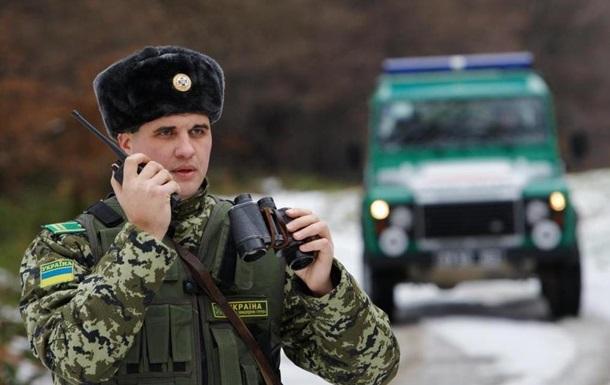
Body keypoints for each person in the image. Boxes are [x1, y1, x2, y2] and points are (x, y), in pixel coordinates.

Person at [19, 46, 400, 385]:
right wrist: (143, 238)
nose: (187, 150)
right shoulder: (68, 245)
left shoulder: (258, 238)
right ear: (126, 144)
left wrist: (325, 289)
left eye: (198, 130)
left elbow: (371, 372)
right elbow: (73, 363)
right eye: (167, 132)